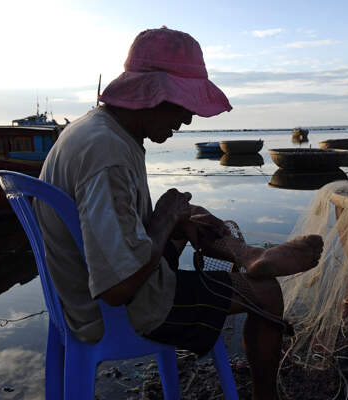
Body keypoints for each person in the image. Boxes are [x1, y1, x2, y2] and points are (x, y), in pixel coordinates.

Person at [33, 27, 323, 400]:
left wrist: (173, 219)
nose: (187, 120)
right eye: (184, 105)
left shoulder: (96, 128)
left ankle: (249, 256)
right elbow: (118, 288)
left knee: (188, 213)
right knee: (265, 293)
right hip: (117, 309)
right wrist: (163, 221)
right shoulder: (106, 153)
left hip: (79, 291)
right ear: (153, 95)